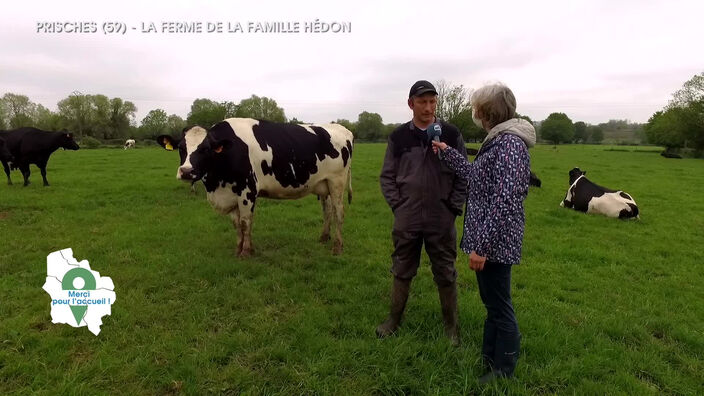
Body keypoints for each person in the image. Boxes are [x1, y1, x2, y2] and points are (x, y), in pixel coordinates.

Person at [431, 82, 535, 382]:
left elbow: (506, 199)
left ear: (486, 112)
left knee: (500, 306)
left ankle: (503, 373)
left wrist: (482, 247)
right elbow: (477, 177)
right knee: (492, 303)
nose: (474, 113)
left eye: (476, 108)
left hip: (496, 243)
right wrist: (448, 153)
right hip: (491, 241)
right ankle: (490, 360)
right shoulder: (498, 141)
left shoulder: (509, 145)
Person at [377, 80, 468, 346]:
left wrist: (453, 207)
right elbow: (387, 177)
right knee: (402, 268)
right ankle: (393, 321)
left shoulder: (450, 134)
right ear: (410, 104)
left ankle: (451, 328)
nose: (428, 108)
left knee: (445, 271)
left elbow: (464, 173)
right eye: (422, 102)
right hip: (408, 218)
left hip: (441, 217)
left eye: (432, 102)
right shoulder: (398, 137)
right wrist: (399, 206)